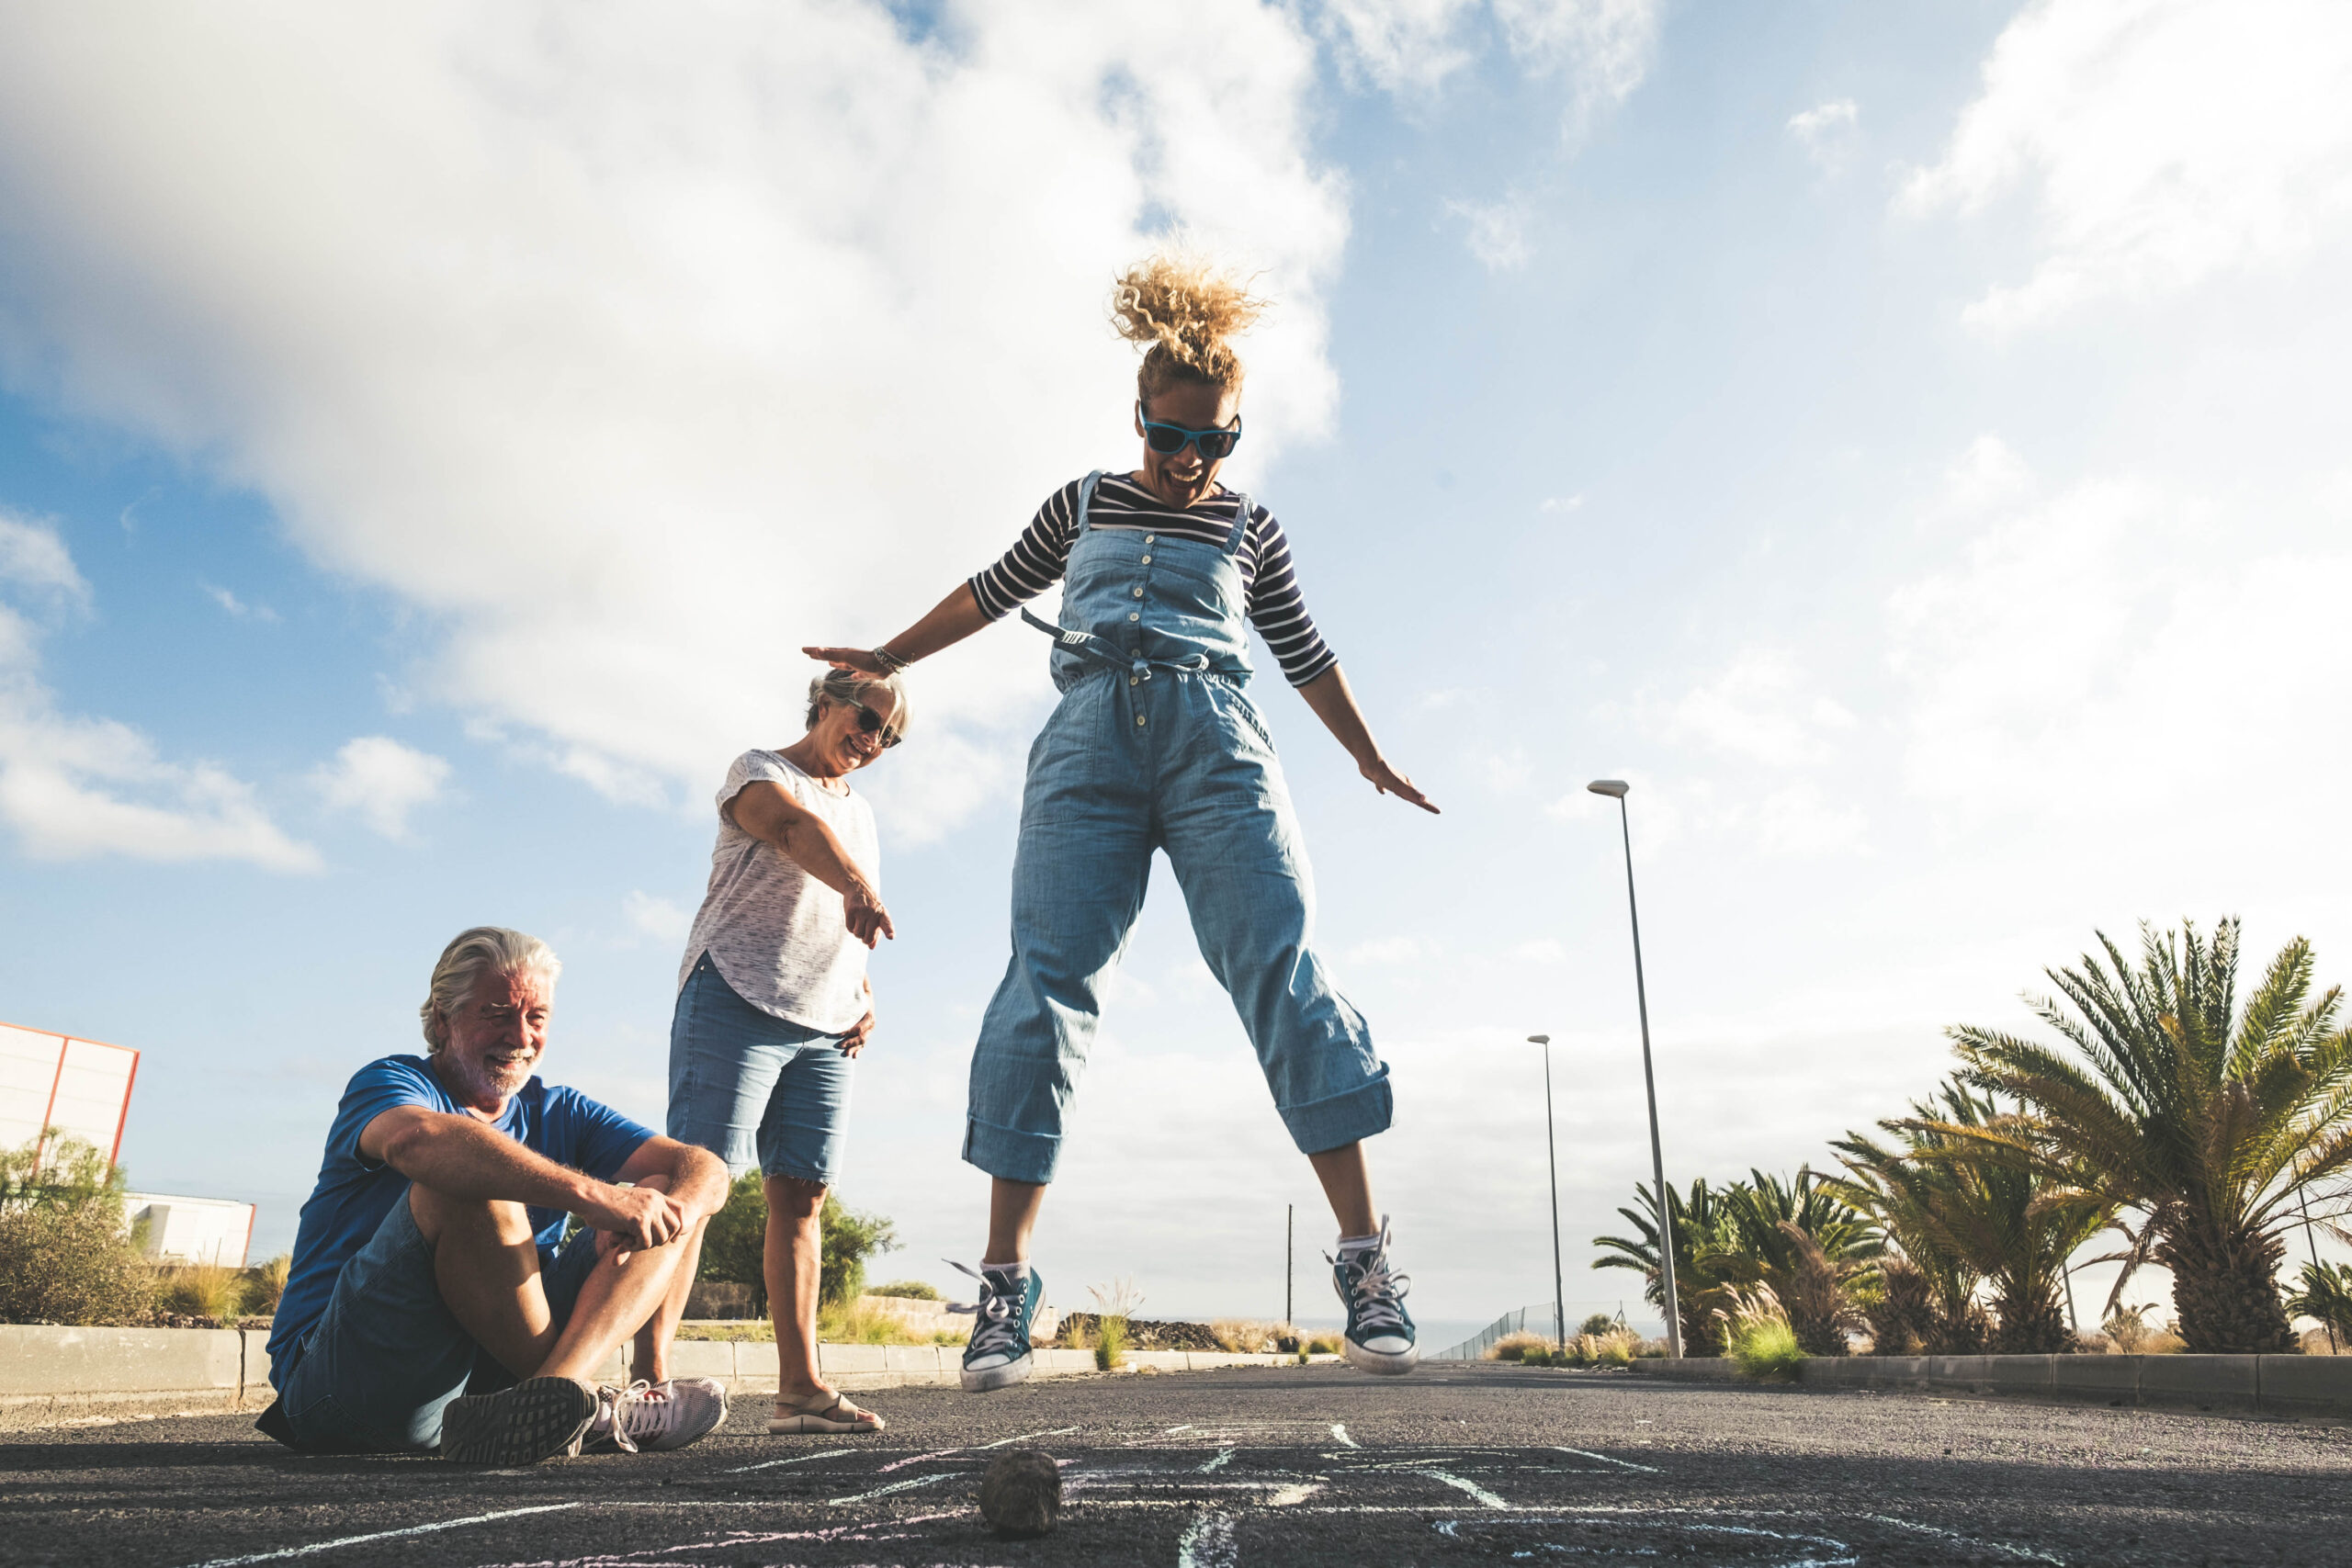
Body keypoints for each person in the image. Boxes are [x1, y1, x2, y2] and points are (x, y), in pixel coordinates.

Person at [804, 252, 1436, 1393]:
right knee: (1044, 982)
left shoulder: (1252, 527)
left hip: (1217, 743)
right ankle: (1004, 1291)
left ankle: (1365, 1261)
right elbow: (992, 589)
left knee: (1278, 966)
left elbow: (1302, 650)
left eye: (1216, 442)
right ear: (1138, 418)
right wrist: (887, 654)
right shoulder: (1083, 503)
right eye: (1171, 439)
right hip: (1087, 740)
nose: (1190, 462)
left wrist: (1366, 752)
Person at [260, 927, 732, 1463]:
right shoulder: (390, 1080)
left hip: (479, 1392)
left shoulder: (559, 1107)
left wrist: (677, 1215)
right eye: (497, 1014)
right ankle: (585, 1408)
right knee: (470, 1175)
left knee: (672, 1191)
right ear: (442, 1019)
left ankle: (573, 1397)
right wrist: (594, 1197)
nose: (520, 1036)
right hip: (344, 1380)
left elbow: (706, 1168)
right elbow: (414, 1139)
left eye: (536, 1019)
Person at [664, 669, 908, 1435]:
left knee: (802, 1199)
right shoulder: (759, 771)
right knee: (695, 1189)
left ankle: (800, 1388)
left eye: (888, 734)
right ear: (826, 702)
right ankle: (649, 1379)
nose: (872, 738)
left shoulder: (862, 814)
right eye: (867, 717)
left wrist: (865, 994)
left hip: (826, 1025)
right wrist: (858, 887)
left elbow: (846, 925)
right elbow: (796, 833)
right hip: (734, 994)